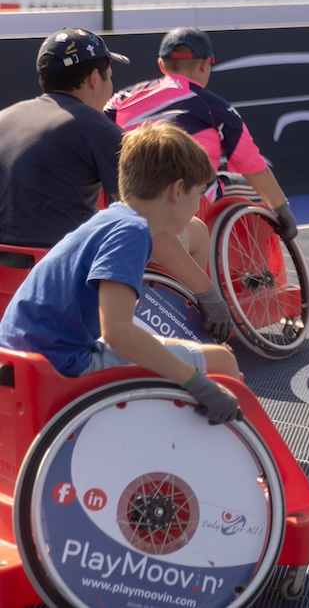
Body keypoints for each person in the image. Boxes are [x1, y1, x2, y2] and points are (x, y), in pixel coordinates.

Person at [0, 122, 242, 425]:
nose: (198, 205)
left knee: (188, 353)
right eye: (198, 194)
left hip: (26, 352)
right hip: (61, 364)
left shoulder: (113, 219)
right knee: (222, 361)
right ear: (177, 190)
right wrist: (198, 383)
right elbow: (117, 333)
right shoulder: (132, 231)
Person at [106, 27, 298, 241]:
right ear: (205, 65)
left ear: (162, 65)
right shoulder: (217, 107)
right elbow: (251, 165)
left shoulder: (122, 98)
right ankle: (257, 272)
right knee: (253, 193)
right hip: (190, 203)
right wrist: (283, 210)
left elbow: (97, 131)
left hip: (130, 198)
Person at [0, 28, 129, 249]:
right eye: (110, 76)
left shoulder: (4, 118)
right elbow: (140, 215)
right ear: (94, 79)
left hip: (5, 272)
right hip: (64, 267)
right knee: (195, 231)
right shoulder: (100, 129)